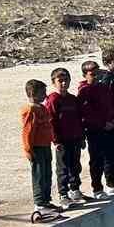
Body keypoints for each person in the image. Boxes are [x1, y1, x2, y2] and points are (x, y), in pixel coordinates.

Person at [76, 59, 114, 195]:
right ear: (85, 75)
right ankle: (97, 188)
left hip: (110, 127)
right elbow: (86, 113)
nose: (96, 76)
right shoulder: (84, 91)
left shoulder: (104, 87)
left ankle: (111, 183)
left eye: (97, 73)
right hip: (94, 130)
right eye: (92, 74)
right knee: (96, 159)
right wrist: (102, 124)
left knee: (110, 156)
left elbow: (113, 104)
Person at [44, 67, 85, 206]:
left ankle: (75, 189)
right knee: (63, 167)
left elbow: (79, 119)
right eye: (60, 81)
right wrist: (56, 141)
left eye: (66, 80)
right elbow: (51, 121)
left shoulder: (73, 99)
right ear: (53, 82)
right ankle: (63, 194)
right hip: (62, 140)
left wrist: (82, 137)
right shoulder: (53, 100)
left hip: (75, 138)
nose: (63, 83)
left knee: (75, 165)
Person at [21, 77, 58, 216]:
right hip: (36, 148)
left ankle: (46, 200)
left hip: (45, 145)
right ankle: (39, 203)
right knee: (39, 175)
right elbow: (27, 131)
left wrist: (53, 140)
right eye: (42, 93)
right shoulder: (30, 110)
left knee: (47, 173)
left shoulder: (42, 108)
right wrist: (28, 149)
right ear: (33, 94)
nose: (45, 95)